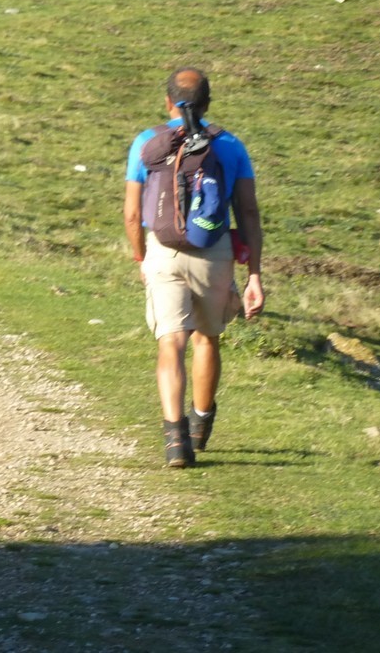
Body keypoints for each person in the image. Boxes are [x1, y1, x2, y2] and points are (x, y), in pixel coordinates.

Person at [124, 67, 265, 468]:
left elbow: (133, 214)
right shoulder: (231, 145)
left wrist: (142, 258)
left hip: (162, 248)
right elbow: (249, 212)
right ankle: (201, 425)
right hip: (214, 251)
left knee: (171, 341)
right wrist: (254, 274)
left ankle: (175, 440)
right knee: (206, 338)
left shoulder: (146, 142)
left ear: (167, 101)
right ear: (208, 104)